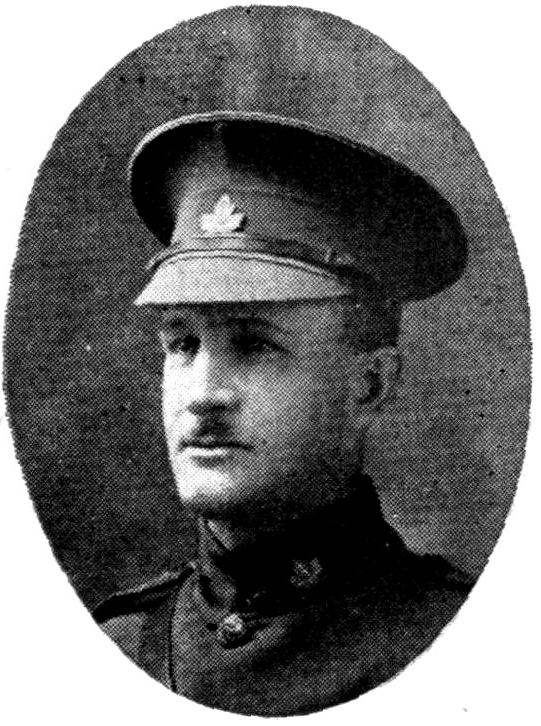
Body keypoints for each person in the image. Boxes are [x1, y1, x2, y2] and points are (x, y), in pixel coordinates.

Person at [94, 111, 473, 716]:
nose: (202, 393)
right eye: (182, 343)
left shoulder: (457, 647)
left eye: (254, 345)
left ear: (369, 386)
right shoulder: (118, 647)